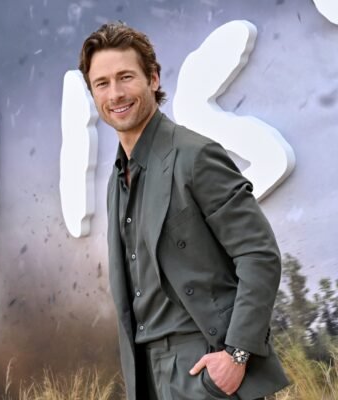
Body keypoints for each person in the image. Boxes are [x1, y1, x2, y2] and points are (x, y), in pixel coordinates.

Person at [78, 22, 289, 400]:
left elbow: (259, 254)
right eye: (102, 83)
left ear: (153, 78)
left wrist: (237, 355)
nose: (116, 93)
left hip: (204, 368)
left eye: (126, 77)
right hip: (147, 374)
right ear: (93, 93)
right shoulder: (117, 180)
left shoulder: (195, 156)